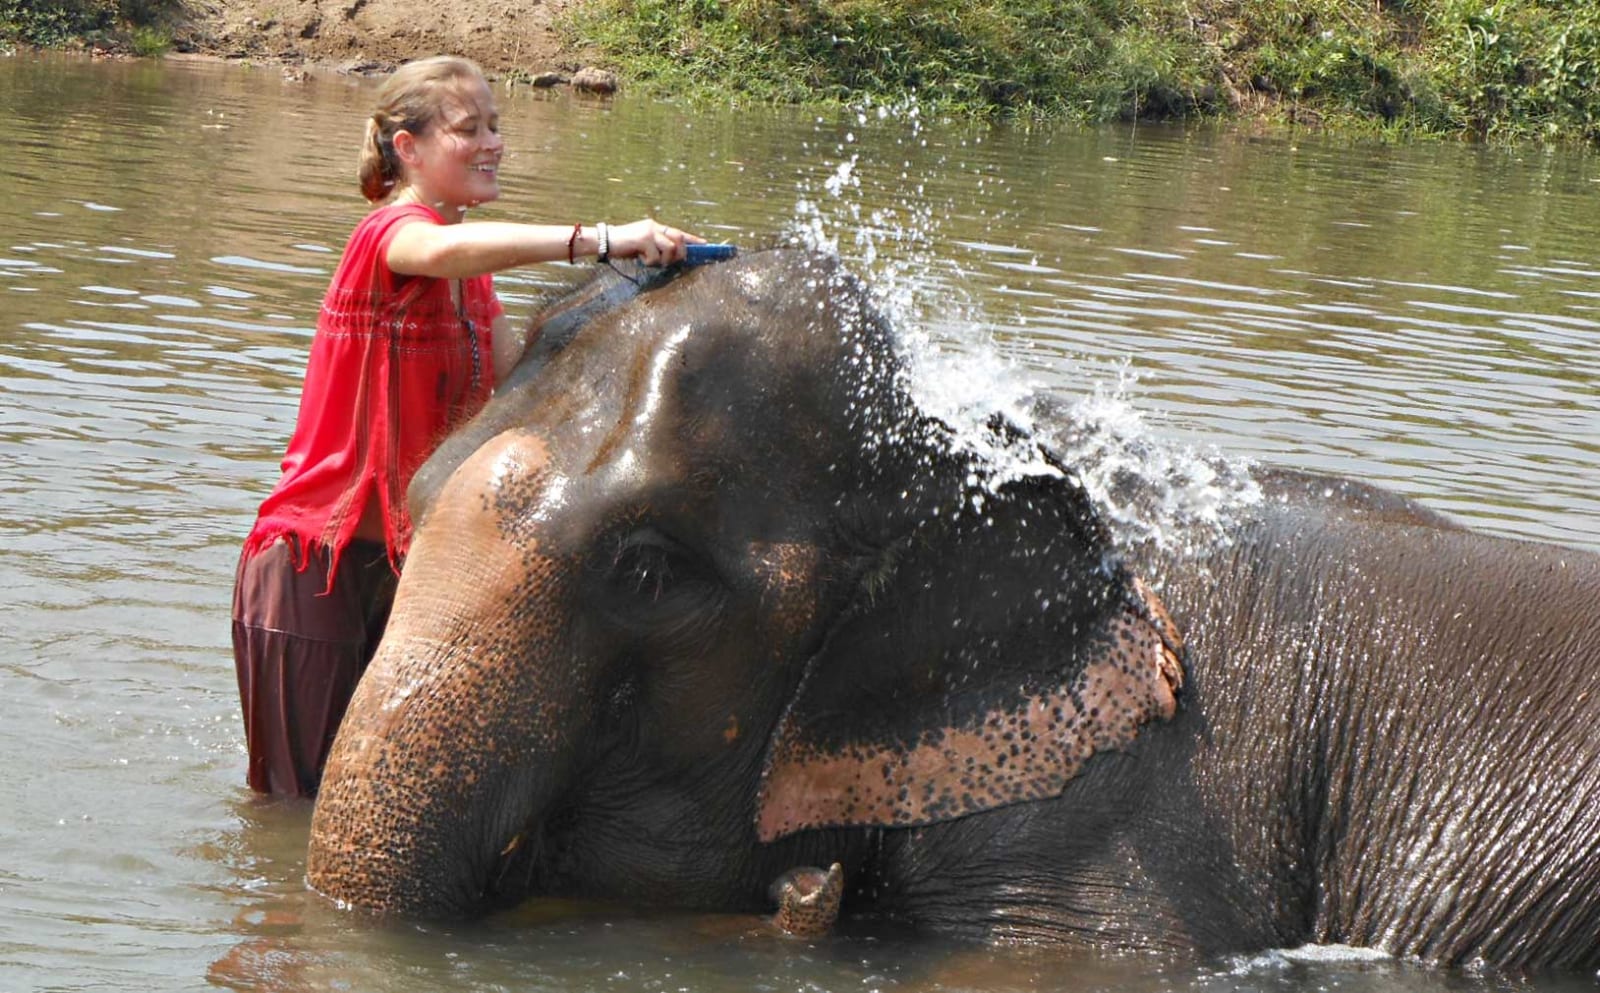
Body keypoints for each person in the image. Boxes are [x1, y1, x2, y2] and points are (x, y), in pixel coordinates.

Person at [231, 54, 702, 797]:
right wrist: (601, 237)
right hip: (312, 568)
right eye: (468, 129)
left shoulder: (475, 283)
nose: (492, 143)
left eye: (496, 125)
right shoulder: (390, 236)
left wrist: (646, 296)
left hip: (409, 570)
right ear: (407, 149)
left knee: (385, 796)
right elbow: (436, 250)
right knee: (297, 809)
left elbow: (531, 382)